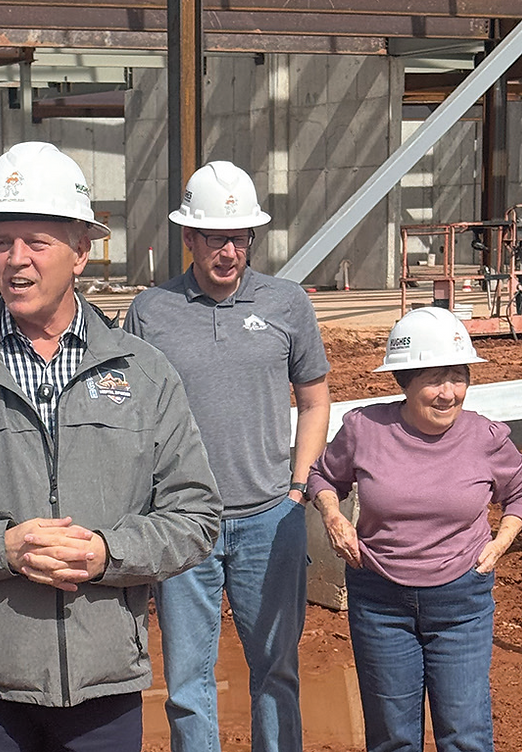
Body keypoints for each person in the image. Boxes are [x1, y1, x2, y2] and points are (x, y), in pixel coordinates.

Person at [0, 141, 222, 752]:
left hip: (103, 683)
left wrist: (107, 553)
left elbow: (195, 516)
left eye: (38, 242)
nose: (16, 260)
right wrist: (1, 547)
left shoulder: (145, 374)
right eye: (2, 241)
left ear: (82, 252)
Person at [124, 160, 331, 752]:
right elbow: (134, 416)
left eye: (239, 237)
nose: (229, 251)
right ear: (188, 237)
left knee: (277, 673)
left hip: (271, 519)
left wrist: (296, 489)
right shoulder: (151, 311)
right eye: (215, 236)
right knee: (189, 682)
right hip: (185, 524)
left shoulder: (288, 304)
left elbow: (315, 401)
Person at [309, 306, 522, 752]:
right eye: (433, 379)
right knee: (392, 738)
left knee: (465, 735)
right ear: (403, 381)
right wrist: (332, 515)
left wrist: (502, 539)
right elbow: (324, 476)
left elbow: (519, 490)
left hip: (461, 601)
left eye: (458, 376)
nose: (449, 393)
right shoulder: (364, 428)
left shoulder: (487, 438)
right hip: (380, 600)